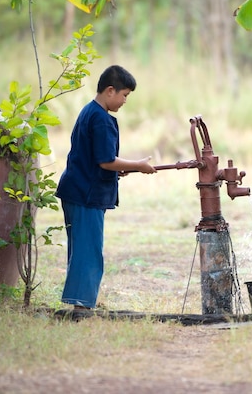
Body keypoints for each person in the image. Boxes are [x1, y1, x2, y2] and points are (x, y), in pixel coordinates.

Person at [55, 65, 157, 316]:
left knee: (81, 247)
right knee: (88, 250)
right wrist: (137, 166)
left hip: (76, 189)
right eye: (124, 95)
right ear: (110, 91)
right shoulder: (100, 119)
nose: (124, 101)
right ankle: (82, 306)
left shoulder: (89, 111)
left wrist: (116, 168)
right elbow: (105, 161)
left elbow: (98, 159)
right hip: (86, 194)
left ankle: (81, 301)